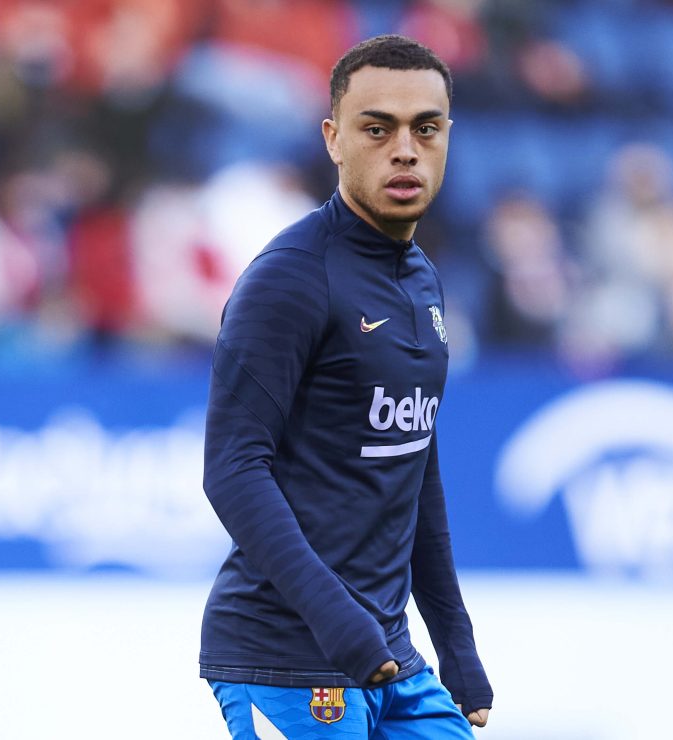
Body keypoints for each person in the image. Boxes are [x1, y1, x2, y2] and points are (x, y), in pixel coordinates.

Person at [199, 34, 493, 738]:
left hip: (388, 657)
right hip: (285, 660)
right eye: (376, 128)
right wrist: (339, 623)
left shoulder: (421, 277)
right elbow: (232, 469)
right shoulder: (289, 277)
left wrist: (457, 645)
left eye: (425, 128)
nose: (404, 148)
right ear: (333, 140)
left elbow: (414, 461)